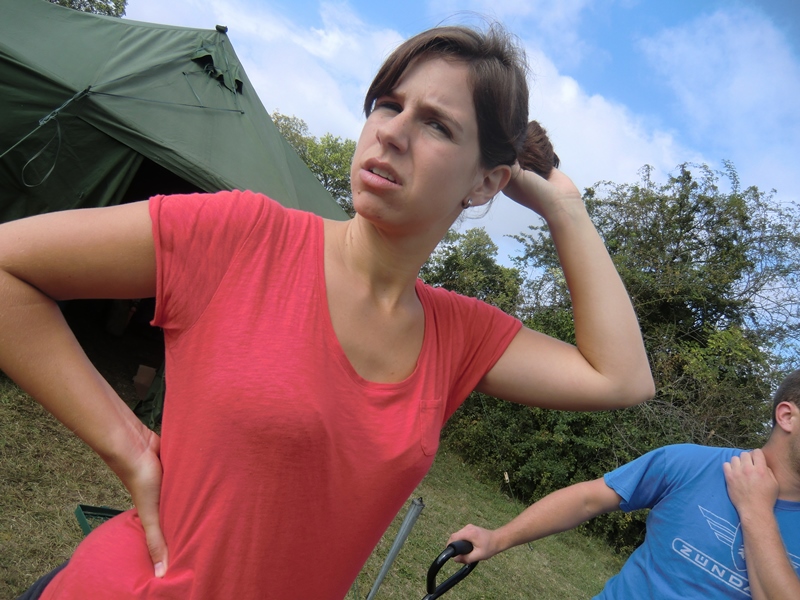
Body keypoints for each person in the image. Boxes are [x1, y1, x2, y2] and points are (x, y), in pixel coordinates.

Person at [1, 23, 654, 600]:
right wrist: (130, 448)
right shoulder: (244, 236)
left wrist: (564, 208)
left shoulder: (458, 335)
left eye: (437, 124)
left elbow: (620, 378)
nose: (392, 131)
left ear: (486, 182)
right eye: (389, 104)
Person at [448, 370, 800, 599]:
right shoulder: (689, 463)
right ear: (787, 416)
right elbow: (587, 499)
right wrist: (498, 538)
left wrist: (756, 509)